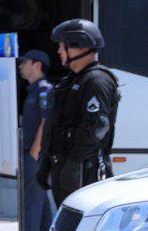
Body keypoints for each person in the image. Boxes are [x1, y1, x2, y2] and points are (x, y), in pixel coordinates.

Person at [38, 19, 119, 205]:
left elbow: (97, 126)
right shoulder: (70, 81)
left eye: (62, 46)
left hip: (85, 169)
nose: (59, 51)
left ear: (79, 46)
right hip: (64, 165)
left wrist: (74, 164)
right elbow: (56, 124)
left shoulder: (97, 81)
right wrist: (46, 162)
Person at [17, 49, 55, 231]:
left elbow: (46, 121)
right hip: (32, 153)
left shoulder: (44, 90)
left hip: (35, 155)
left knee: (30, 202)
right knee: (40, 203)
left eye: (25, 62)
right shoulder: (33, 90)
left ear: (37, 65)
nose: (21, 66)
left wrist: (35, 151)